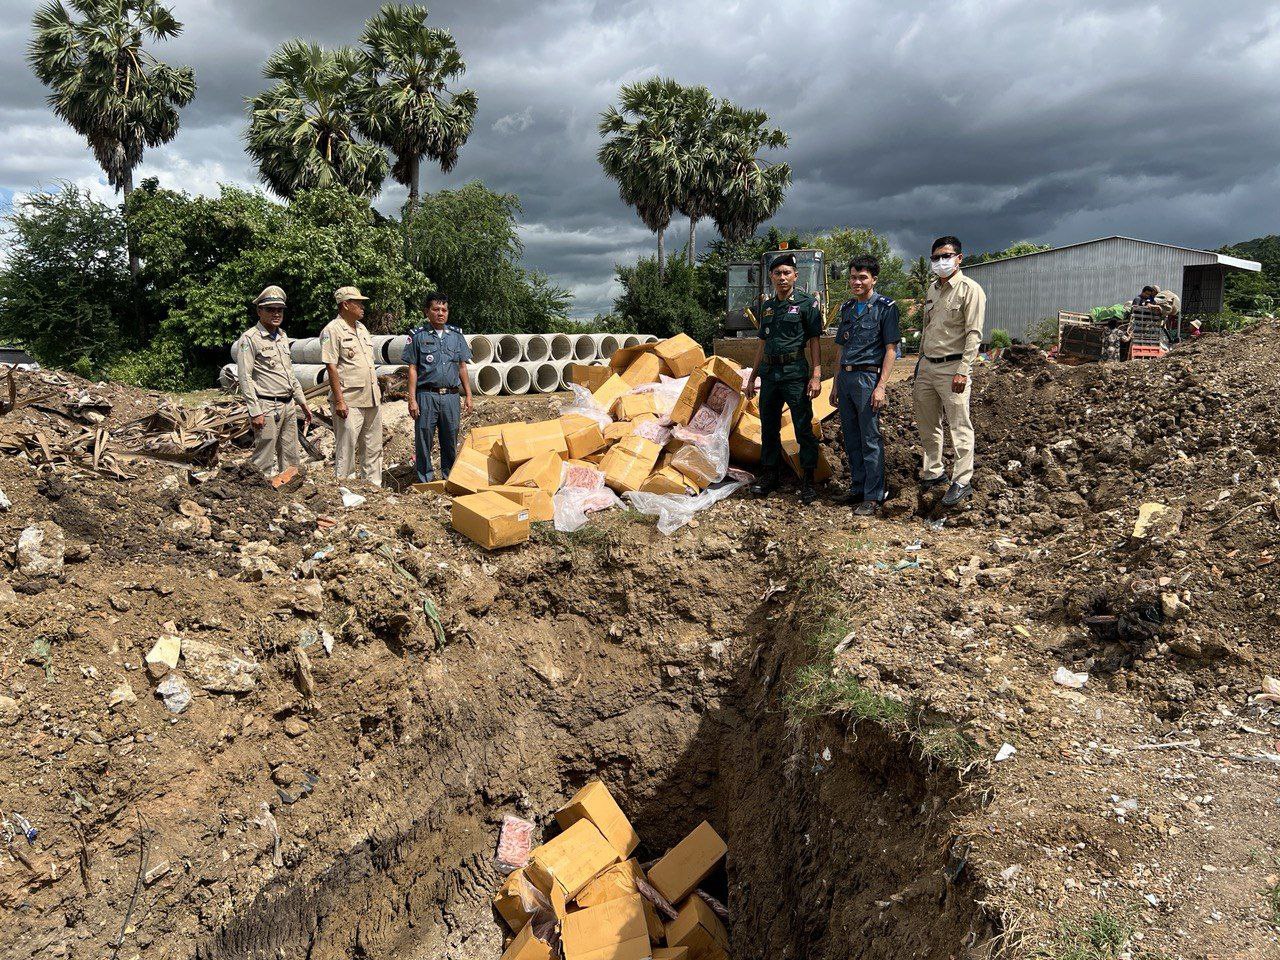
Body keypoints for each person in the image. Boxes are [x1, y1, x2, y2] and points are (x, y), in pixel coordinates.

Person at [743, 252, 824, 503]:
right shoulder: (767, 307)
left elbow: (814, 341)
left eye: (787, 273)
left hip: (794, 374)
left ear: (795, 276)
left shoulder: (807, 304)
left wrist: (817, 375)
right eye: (777, 273)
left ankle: (808, 479)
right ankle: (770, 475)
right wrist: (752, 377)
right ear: (771, 277)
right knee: (768, 426)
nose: (782, 277)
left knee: (802, 426)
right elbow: (761, 343)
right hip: (769, 375)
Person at [914, 236, 986, 507]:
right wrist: (920, 363)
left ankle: (961, 480)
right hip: (928, 366)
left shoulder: (970, 290)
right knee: (928, 423)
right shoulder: (932, 290)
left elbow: (974, 333)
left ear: (959, 258)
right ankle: (934, 472)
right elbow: (928, 328)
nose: (941, 262)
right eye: (936, 257)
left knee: (959, 425)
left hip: (953, 367)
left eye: (946, 256)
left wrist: (963, 370)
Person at [830, 256, 900, 516]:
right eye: (853, 277)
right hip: (846, 379)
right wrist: (835, 383)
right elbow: (841, 348)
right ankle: (858, 487)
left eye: (862, 277)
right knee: (851, 437)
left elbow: (891, 350)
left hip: (868, 379)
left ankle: (873, 494)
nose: (856, 282)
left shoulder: (885, 307)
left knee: (870, 438)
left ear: (874, 279)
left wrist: (881, 386)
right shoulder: (847, 308)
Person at [234, 285, 313, 476]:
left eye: (279, 310)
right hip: (267, 405)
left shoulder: (282, 336)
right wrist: (255, 411)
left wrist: (302, 402)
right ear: (259, 311)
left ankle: (289, 494)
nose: (276, 314)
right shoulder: (250, 339)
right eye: (270, 309)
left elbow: (289, 373)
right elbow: (244, 377)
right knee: (264, 456)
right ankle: (258, 495)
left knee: (291, 454)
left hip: (287, 404)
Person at [403, 292, 473, 483]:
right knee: (424, 438)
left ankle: (449, 478)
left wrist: (468, 395)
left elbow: (462, 366)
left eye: (444, 309)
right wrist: (412, 399)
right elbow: (413, 368)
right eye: (436, 309)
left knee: (450, 438)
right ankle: (425, 480)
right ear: (427, 312)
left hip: (451, 396)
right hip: (427, 395)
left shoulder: (456, 336)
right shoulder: (417, 336)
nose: (440, 313)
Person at [321, 286, 383, 487]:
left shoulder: (362, 329)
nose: (362, 306)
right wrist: (339, 401)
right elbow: (331, 367)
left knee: (373, 446)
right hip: (349, 399)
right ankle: (345, 487)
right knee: (347, 447)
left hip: (371, 397)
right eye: (358, 302)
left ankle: (373, 487)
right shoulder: (332, 330)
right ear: (345, 304)